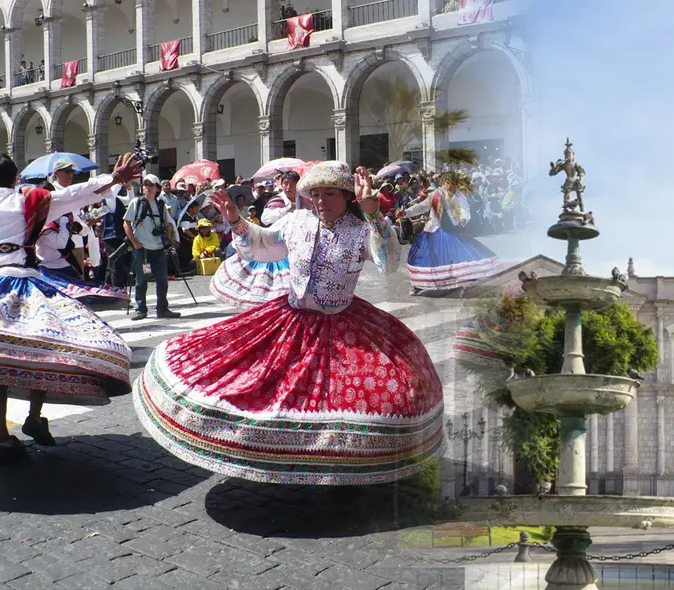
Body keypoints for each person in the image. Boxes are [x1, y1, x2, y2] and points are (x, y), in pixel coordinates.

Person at [134, 161, 444, 485]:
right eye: (316, 194)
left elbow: (388, 261)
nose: (321, 201)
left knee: (347, 394)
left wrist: (375, 217)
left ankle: (334, 464)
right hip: (291, 318)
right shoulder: (297, 221)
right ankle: (279, 456)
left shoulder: (359, 230)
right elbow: (264, 245)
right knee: (263, 383)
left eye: (330, 194)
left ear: (347, 196)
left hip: (342, 324)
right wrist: (236, 222)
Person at [0, 152, 143, 461]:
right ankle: (34, 417)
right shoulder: (30, 200)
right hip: (23, 285)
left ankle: (3, 439)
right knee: (42, 347)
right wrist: (114, 178)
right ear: (15, 179)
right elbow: (73, 195)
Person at [402, 171, 499, 294]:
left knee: (456, 257)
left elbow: (464, 209)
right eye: (448, 183)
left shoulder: (459, 196)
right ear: (443, 182)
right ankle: (420, 284)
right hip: (433, 229)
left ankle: (457, 283)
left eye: (452, 184)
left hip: (451, 230)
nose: (450, 186)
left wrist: (463, 219)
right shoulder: (435, 195)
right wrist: (406, 212)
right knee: (423, 257)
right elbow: (422, 207)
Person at [36, 210, 128, 304]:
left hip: (66, 260)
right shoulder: (44, 227)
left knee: (80, 293)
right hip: (48, 266)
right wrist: (64, 220)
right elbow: (61, 243)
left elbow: (83, 231)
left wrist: (82, 224)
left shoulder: (67, 214)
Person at [123, 174, 181, 321]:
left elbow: (168, 223)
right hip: (143, 250)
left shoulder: (161, 205)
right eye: (145, 185)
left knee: (162, 280)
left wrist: (168, 241)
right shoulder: (136, 202)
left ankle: (162, 309)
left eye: (151, 185)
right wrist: (135, 242)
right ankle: (141, 309)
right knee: (142, 280)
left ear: (157, 188)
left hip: (158, 249)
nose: (147, 188)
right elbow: (126, 224)